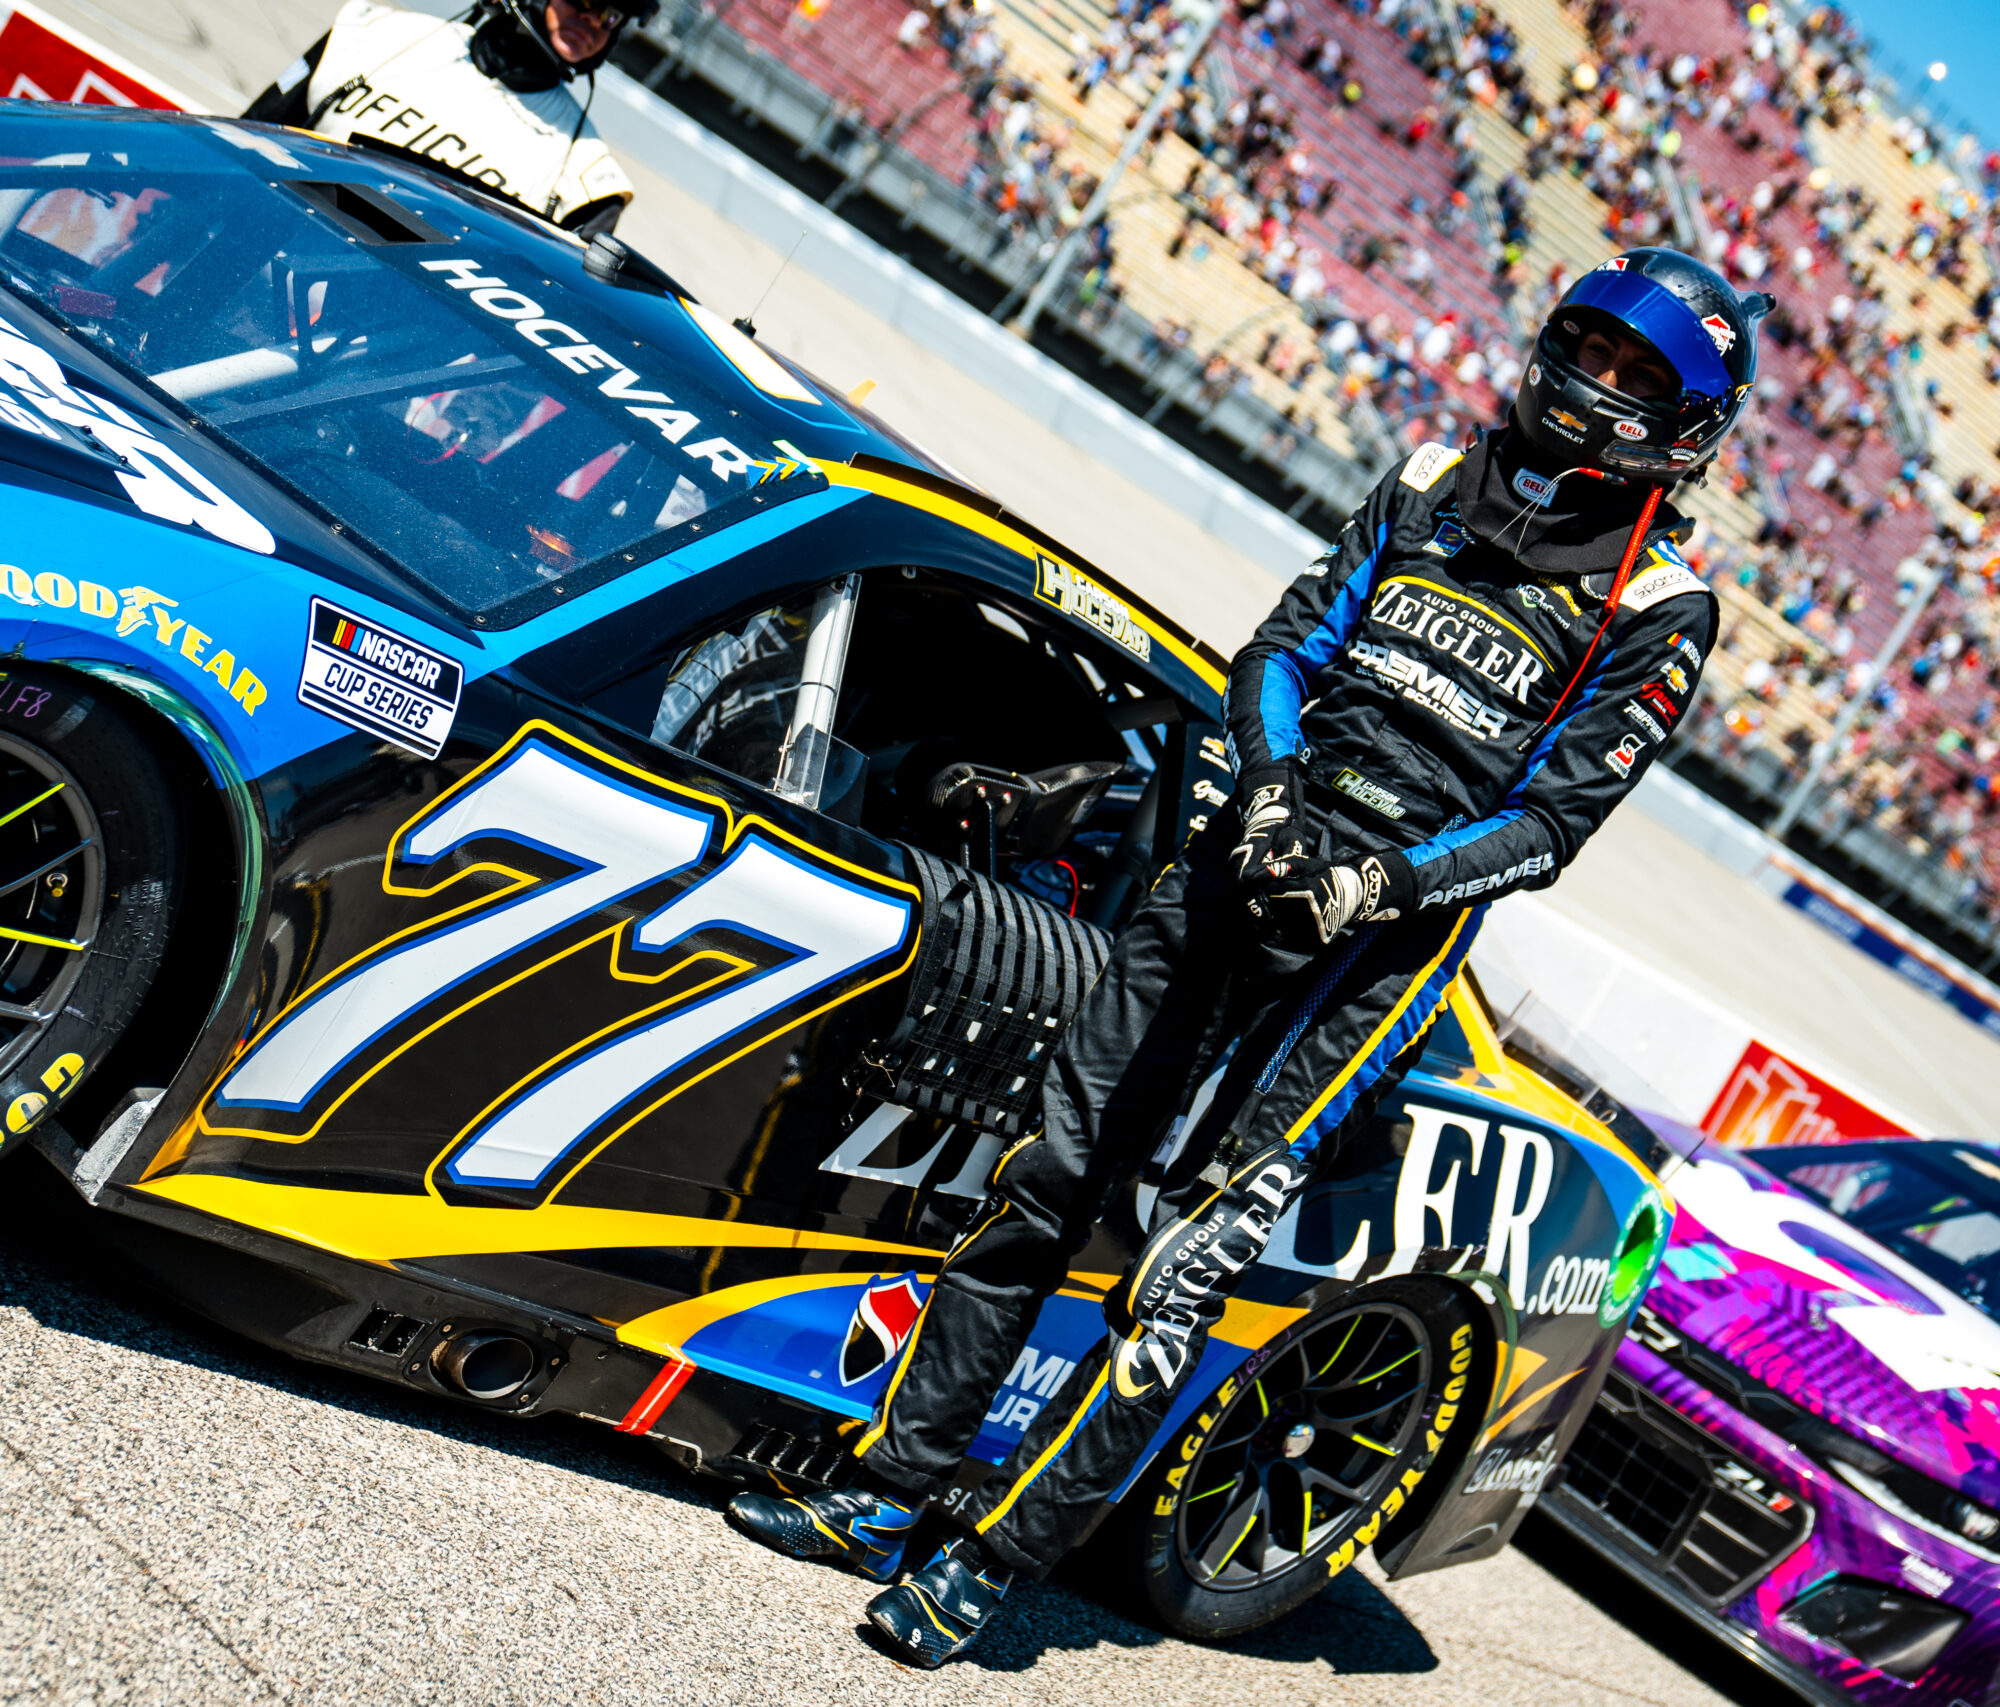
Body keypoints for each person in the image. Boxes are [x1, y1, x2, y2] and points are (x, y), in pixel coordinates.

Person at [725, 248, 1773, 1667]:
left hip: (1367, 962)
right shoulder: (1424, 473)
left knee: (1185, 1259)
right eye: (1591, 348)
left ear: (1691, 425)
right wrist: (1274, 792)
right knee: (1048, 1174)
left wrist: (1379, 879)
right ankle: (884, 1489)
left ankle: (988, 1561)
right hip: (1234, 864)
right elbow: (1284, 646)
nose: (1601, 384)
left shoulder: (1660, 607)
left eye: (1643, 376)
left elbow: (1550, 824)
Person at [243, 0, 653, 238]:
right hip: (255, 246)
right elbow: (244, 140)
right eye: (585, 0)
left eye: (612, 15)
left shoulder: (590, 179)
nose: (593, 23)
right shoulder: (370, 30)